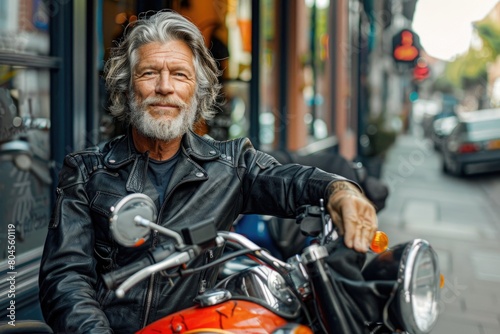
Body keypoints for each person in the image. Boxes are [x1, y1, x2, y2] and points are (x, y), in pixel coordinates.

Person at [38, 10, 377, 334]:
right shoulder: (86, 170)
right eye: (149, 73)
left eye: (180, 74)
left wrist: (340, 191)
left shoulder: (230, 165)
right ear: (127, 88)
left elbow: (291, 182)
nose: (165, 87)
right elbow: (65, 280)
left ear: (196, 93)